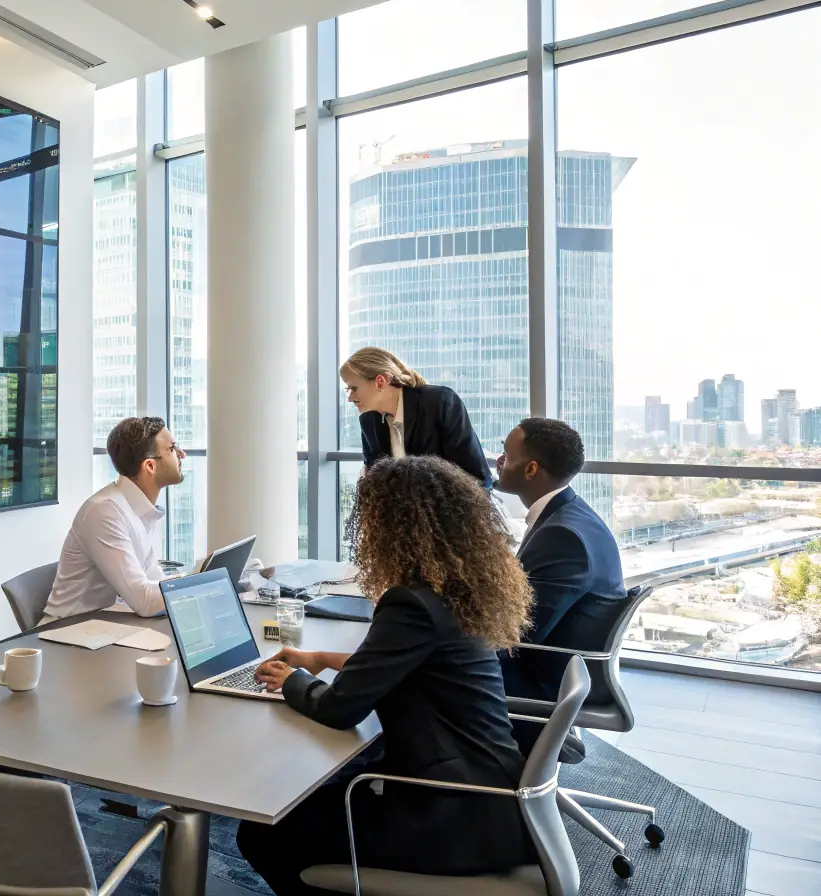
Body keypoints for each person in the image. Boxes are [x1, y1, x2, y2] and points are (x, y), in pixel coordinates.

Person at [237, 457, 537, 893]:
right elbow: (410, 666)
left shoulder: (410, 604)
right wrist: (319, 657)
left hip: (449, 817)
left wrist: (290, 681)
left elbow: (341, 708)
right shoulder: (454, 588)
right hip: (489, 796)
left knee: (263, 831)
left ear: (393, 526)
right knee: (318, 797)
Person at [494, 417, 626, 708]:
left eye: (506, 454)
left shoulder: (562, 536)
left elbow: (518, 633)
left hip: (543, 682)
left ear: (531, 469)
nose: (499, 460)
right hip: (556, 666)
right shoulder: (569, 513)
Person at [40, 417, 184, 623]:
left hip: (105, 627)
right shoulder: (104, 511)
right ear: (150, 466)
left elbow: (153, 581)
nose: (181, 454)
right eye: (172, 448)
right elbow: (145, 601)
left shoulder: (138, 509)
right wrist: (199, 583)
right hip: (66, 633)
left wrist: (195, 581)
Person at [340, 346, 491, 488]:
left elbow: (478, 478)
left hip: (451, 511)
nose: (350, 398)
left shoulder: (440, 402)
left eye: (353, 388)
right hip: (398, 513)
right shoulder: (369, 420)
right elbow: (374, 474)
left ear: (380, 382)